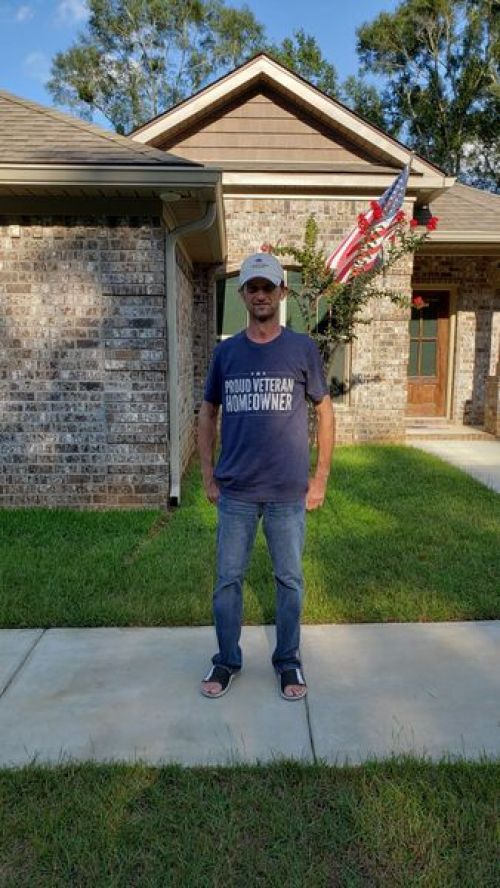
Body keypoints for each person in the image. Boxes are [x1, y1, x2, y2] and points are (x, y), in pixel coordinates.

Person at [198, 252, 335, 700]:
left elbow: (324, 410)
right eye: (253, 288)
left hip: (286, 491)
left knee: (289, 580)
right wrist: (208, 475)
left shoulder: (301, 349)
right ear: (242, 295)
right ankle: (226, 660)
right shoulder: (226, 353)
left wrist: (320, 479)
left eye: (268, 287)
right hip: (236, 490)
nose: (260, 295)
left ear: (282, 293)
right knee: (227, 581)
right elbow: (207, 412)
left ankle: (288, 660)